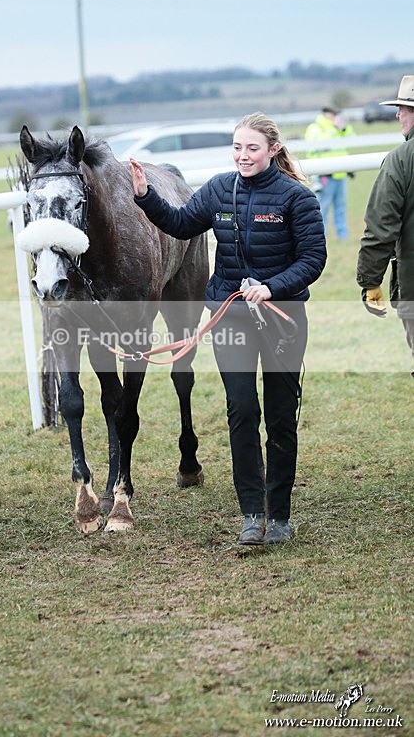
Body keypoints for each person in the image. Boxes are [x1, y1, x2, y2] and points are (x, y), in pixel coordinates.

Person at [129, 112, 326, 545]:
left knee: (279, 415)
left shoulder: (297, 198)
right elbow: (181, 225)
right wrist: (145, 197)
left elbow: (313, 261)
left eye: (251, 148)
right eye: (237, 147)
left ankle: (280, 517)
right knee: (241, 411)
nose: (243, 155)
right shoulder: (219, 188)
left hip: (282, 319)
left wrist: (272, 288)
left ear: (273, 149)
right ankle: (252, 515)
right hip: (229, 316)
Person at [357, 75, 414, 378]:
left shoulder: (401, 159)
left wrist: (369, 282)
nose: (398, 114)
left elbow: (380, 230)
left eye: (404, 108)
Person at [304, 106, 356, 239]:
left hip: (340, 173)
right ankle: (322, 234)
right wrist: (334, 128)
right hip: (324, 173)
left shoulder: (337, 127)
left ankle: (342, 235)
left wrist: (343, 128)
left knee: (341, 206)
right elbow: (319, 144)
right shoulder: (316, 128)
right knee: (323, 207)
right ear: (327, 115)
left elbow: (352, 138)